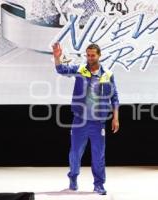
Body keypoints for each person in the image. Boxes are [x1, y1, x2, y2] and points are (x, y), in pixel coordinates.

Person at [52, 42, 120, 195]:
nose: (89, 58)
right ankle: (73, 177)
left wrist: (116, 118)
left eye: (92, 55)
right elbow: (61, 69)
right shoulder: (80, 70)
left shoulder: (107, 74)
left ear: (99, 55)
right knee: (75, 153)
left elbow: (115, 97)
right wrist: (57, 57)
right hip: (80, 121)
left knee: (98, 155)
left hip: (98, 122)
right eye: (88, 55)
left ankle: (99, 184)